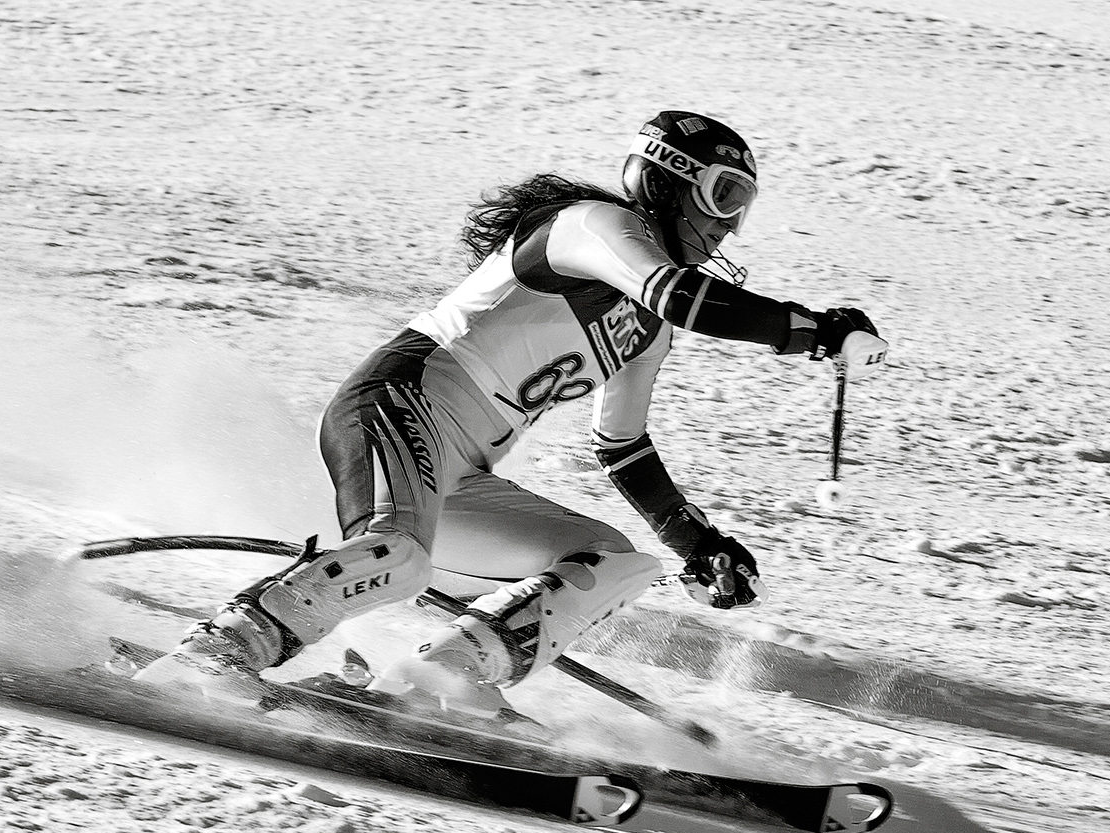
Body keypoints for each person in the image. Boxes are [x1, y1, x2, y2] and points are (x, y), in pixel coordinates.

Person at [137, 110, 883, 717]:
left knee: (616, 561)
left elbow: (622, 445)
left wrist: (698, 542)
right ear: (665, 178)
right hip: (400, 405)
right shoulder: (589, 225)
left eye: (743, 207)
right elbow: (681, 296)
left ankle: (445, 677)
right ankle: (217, 651)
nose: (729, 226)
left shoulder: (649, 326)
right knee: (399, 558)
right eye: (723, 196)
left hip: (461, 471)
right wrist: (813, 331)